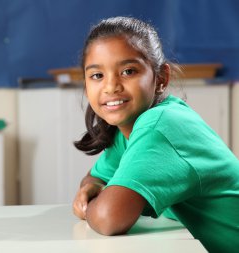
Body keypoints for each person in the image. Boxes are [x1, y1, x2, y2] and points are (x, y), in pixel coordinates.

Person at [72, 16, 239, 253]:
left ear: (161, 78)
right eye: (97, 76)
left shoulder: (159, 125)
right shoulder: (129, 130)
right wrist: (92, 187)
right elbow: (96, 178)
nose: (111, 87)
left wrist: (91, 204)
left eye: (128, 71)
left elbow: (109, 218)